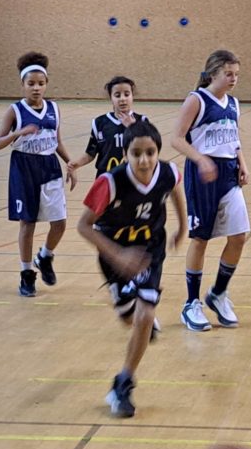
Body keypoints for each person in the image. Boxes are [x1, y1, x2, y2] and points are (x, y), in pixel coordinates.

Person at [76, 120, 187, 418]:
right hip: (114, 255)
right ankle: (138, 319)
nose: (144, 160)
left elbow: (176, 186)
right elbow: (83, 226)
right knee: (129, 318)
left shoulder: (167, 172)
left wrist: (183, 226)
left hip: (150, 251)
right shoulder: (110, 182)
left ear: (158, 152)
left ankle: (123, 384)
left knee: (145, 314)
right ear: (125, 154)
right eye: (136, 153)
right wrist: (117, 255)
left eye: (150, 153)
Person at [67, 75, 155, 331]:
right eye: (118, 95)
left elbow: (150, 151)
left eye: (127, 94)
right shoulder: (100, 123)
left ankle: (135, 281)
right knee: (104, 237)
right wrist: (76, 163)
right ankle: (116, 282)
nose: (123, 99)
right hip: (106, 190)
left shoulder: (142, 123)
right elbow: (92, 152)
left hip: (133, 190)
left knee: (136, 236)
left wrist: (133, 128)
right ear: (111, 98)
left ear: (133, 96)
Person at [171, 49, 250, 332]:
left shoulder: (233, 103)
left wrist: (242, 163)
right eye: (228, 74)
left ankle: (217, 292)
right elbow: (177, 139)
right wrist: (200, 159)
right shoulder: (197, 100)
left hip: (228, 173)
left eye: (236, 74)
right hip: (202, 176)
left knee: (239, 236)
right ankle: (191, 303)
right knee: (201, 239)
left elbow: (234, 138)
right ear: (213, 74)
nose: (233, 79)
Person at [0, 52, 76, 297]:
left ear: (46, 84)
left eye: (41, 83)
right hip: (24, 168)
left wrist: (70, 163)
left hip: (50, 167)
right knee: (27, 223)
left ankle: (45, 256)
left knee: (59, 222)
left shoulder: (54, 109)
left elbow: (57, 141)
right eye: (31, 83)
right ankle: (26, 273)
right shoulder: (15, 111)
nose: (36, 88)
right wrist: (17, 133)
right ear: (23, 84)